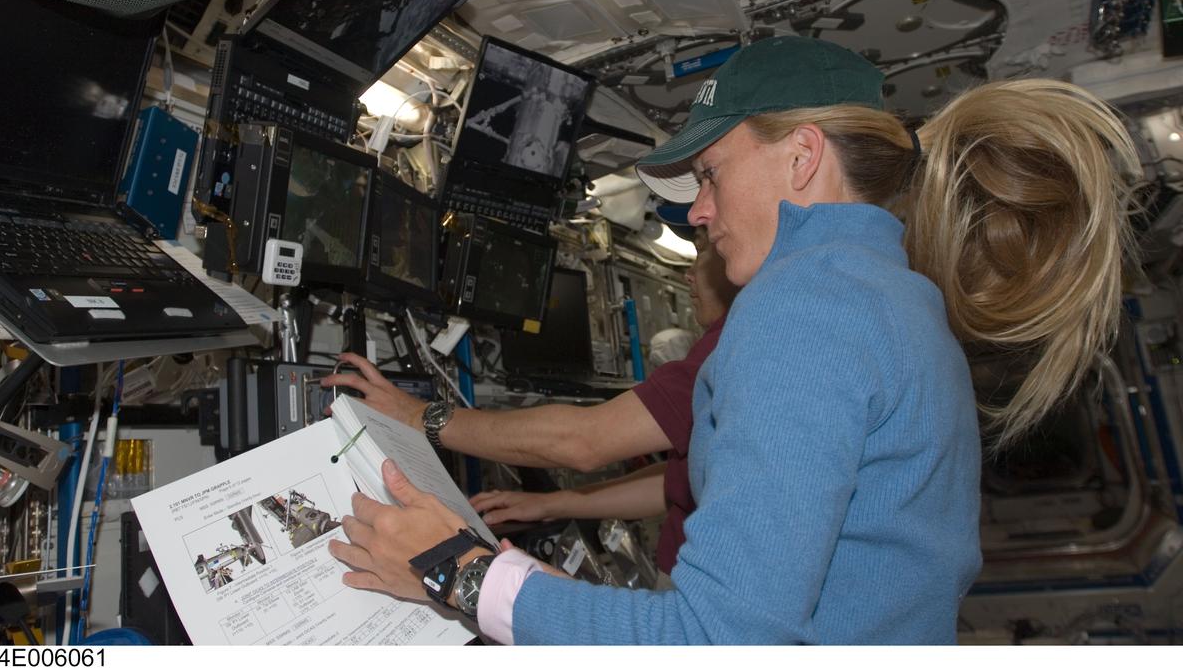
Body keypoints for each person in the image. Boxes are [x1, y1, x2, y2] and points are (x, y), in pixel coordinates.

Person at [327, 36, 1139, 644]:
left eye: (710, 174)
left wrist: (456, 573)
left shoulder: (805, 310)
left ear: (802, 157)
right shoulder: (900, 301)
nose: (699, 212)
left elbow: (717, 643)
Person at [324, 225, 740, 575]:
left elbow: (582, 441)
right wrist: (549, 504)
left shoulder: (732, 347)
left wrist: (417, 414)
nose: (688, 273)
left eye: (701, 250)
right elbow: (676, 480)